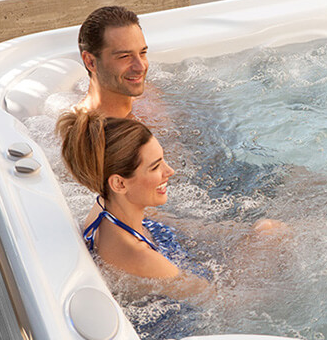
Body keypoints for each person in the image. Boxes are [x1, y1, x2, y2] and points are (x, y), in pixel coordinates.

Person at [56, 110, 288, 300]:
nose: (170, 171)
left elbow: (179, 225)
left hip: (176, 262)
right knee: (270, 231)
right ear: (118, 183)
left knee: (264, 230)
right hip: (182, 322)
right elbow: (221, 300)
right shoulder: (139, 256)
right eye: (156, 166)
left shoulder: (105, 208)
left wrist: (241, 235)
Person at [74, 5, 149, 118]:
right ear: (90, 62)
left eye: (142, 53)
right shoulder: (95, 132)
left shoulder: (144, 96)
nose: (141, 67)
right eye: (125, 56)